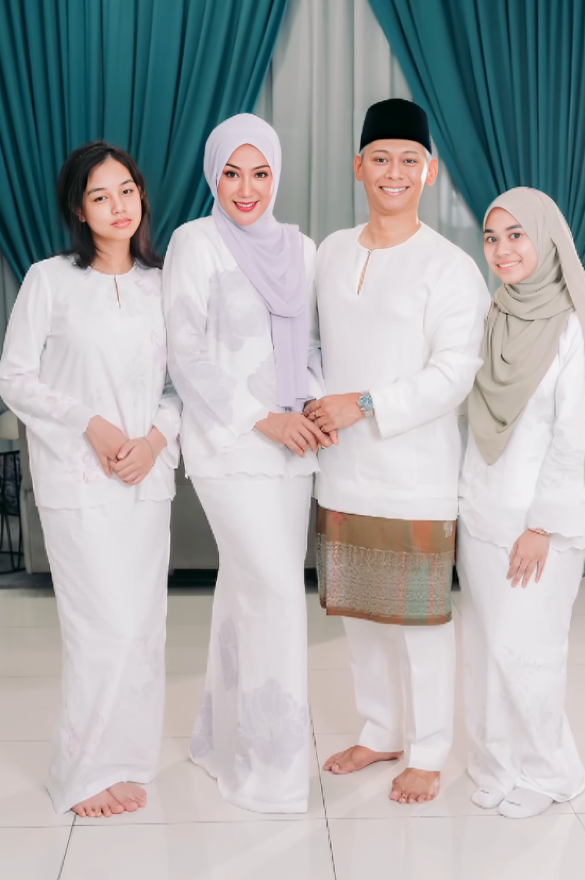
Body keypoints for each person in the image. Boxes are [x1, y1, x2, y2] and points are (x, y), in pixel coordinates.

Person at [306, 98, 490, 804]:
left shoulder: (450, 267)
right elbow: (312, 346)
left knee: (419, 619)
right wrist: (316, 404)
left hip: (414, 473)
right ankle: (380, 729)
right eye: (380, 158)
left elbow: (454, 373)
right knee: (359, 613)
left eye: (408, 160)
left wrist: (362, 404)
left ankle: (429, 749)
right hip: (339, 467)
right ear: (358, 166)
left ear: (429, 171)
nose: (393, 171)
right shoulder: (331, 251)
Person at [0, 142, 181, 817]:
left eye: (126, 190)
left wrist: (154, 440)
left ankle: (126, 759)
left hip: (146, 480)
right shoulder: (48, 280)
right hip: (77, 482)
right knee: (100, 627)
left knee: (142, 628)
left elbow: (183, 386)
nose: (118, 206)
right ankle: (80, 773)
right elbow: (15, 377)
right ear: (79, 210)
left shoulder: (164, 285)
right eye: (100, 196)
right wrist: (91, 424)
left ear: (141, 196)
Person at [163, 113, 331, 813]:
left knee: (246, 593)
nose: (246, 189)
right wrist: (265, 418)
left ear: (276, 175)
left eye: (260, 173)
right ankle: (271, 772)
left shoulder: (302, 249)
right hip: (230, 446)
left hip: (293, 452)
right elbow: (184, 352)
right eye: (231, 173)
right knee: (275, 596)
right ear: (213, 175)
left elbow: (313, 345)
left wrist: (311, 405)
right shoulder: (195, 242)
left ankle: (218, 739)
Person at [457, 187, 585, 818]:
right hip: (482, 512)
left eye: (516, 235)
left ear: (546, 238)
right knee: (485, 647)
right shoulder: (494, 314)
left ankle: (552, 772)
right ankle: (497, 762)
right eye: (492, 237)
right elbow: (473, 416)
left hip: (540, 525)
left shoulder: (576, 325)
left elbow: (574, 434)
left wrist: (543, 526)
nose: (502, 250)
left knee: (528, 648)